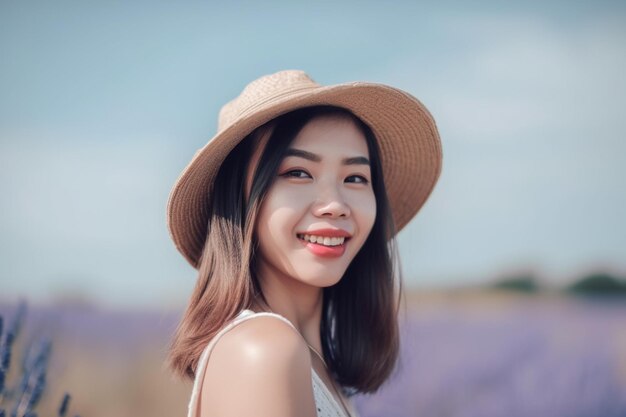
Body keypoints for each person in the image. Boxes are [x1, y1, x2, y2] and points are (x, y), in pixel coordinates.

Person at [165, 70, 442, 417]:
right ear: (239, 199)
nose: (336, 205)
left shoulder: (310, 361)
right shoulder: (265, 351)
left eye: (355, 177)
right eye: (298, 172)